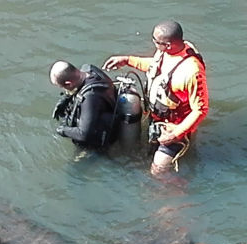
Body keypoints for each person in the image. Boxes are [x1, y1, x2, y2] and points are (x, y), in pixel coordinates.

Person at [102, 20, 208, 174]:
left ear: (169, 45)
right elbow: (156, 66)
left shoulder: (191, 72)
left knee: (158, 171)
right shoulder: (166, 52)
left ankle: (176, 194)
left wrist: (175, 134)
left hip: (176, 127)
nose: (153, 43)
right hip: (157, 118)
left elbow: (200, 110)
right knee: (148, 151)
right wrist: (128, 60)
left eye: (156, 41)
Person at [49, 60, 118, 148]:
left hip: (102, 135)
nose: (63, 89)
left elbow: (84, 134)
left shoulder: (89, 98)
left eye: (62, 87)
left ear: (68, 84)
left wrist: (62, 130)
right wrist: (65, 99)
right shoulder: (88, 69)